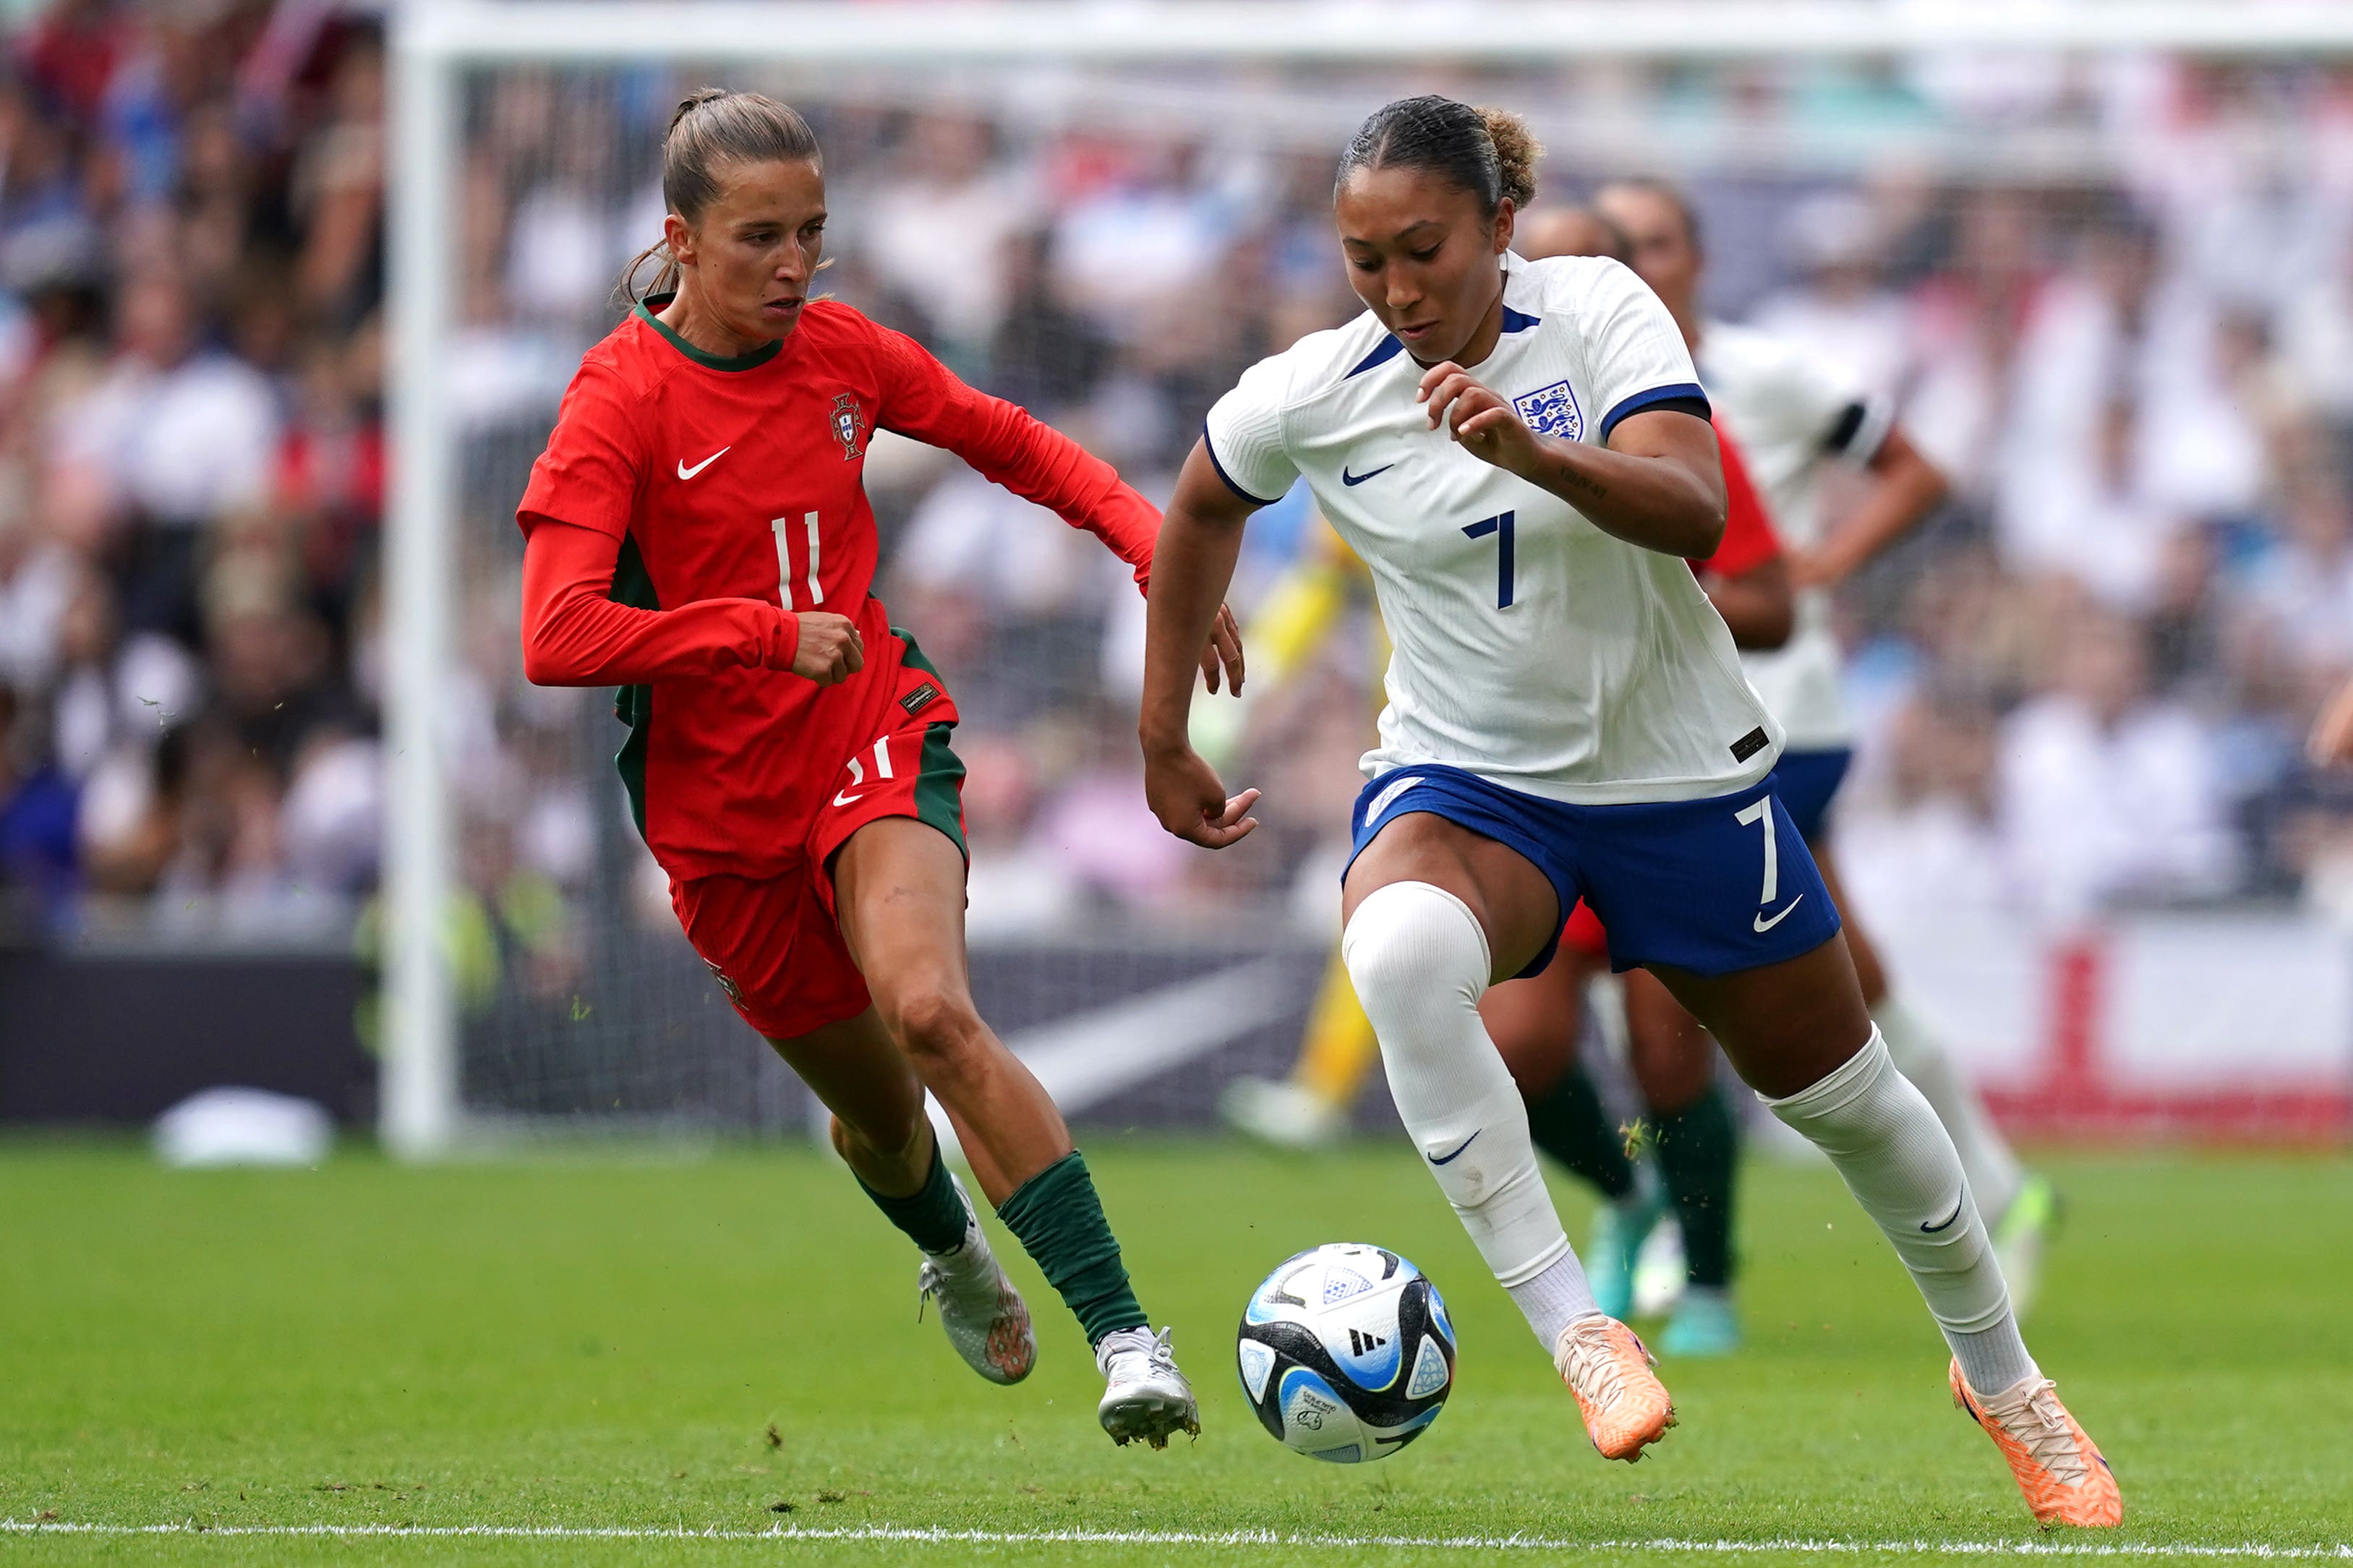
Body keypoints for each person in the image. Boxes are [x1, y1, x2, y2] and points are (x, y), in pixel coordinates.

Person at [1137, 95, 2119, 1525]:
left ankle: (2003, 1377)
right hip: (1471, 781)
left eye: (1422, 250)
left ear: (1498, 226)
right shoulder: (1312, 389)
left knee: (1845, 1099)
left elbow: (1693, 508)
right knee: (1398, 952)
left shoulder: (1598, 309)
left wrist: (1536, 458)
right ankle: (1580, 1332)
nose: (1396, 289)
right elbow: (1197, 505)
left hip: (1677, 771)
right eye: (1364, 260)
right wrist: (1164, 731)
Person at [514, 90, 1243, 1449]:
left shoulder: (842, 352)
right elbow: (556, 634)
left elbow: (1004, 437)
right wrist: (754, 631)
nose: (795, 264)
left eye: (813, 232)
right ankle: (953, 1250)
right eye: (760, 238)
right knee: (879, 1121)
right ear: (681, 238)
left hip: (868, 733)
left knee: (929, 1013)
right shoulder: (616, 400)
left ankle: (1125, 1336)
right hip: (716, 817)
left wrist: (1150, 542)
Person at [1591, 176, 2061, 1317]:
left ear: (1698, 258)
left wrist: (1825, 564)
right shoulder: (1573, 383)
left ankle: (1678, 1236)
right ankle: (1998, 1188)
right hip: (1654, 722)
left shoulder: (1763, 374)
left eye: (1655, 243)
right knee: (1840, 974)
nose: (1634, 265)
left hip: (1776, 716)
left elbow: (1917, 467)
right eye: (1615, 246)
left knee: (1669, 982)